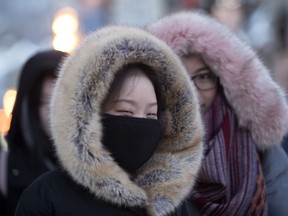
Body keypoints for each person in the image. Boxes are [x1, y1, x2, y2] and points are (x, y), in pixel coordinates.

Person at [14, 26, 204, 216]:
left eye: (151, 114)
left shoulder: (174, 206)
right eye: (126, 111)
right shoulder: (47, 198)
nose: (140, 124)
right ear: (89, 116)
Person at [148, 11, 288, 216]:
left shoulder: (258, 147)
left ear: (222, 82)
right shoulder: (145, 143)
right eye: (180, 78)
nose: (192, 94)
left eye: (203, 77)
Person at [0, 50, 67, 216]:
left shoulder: (100, 168)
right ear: (28, 107)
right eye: (44, 102)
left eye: (61, 100)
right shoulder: (5, 169)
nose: (54, 110)